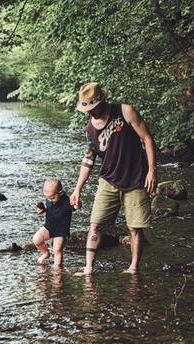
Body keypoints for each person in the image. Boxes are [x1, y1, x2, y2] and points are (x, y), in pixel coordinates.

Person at [70, 82, 157, 275]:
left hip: (136, 180)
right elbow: (89, 160)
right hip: (108, 180)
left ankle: (133, 268)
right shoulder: (90, 129)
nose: (92, 112)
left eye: (94, 108)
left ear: (103, 100)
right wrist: (77, 189)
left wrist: (152, 170)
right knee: (95, 225)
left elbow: (148, 139)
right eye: (88, 109)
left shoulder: (125, 111)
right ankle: (89, 268)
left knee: (134, 228)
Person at [33, 178, 79, 269]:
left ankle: (57, 267)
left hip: (61, 230)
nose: (50, 200)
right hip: (49, 227)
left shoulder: (66, 201)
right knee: (36, 240)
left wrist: (77, 203)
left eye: (53, 197)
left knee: (57, 250)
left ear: (60, 193)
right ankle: (46, 253)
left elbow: (75, 207)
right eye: (48, 198)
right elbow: (49, 209)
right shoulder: (49, 199)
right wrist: (42, 210)